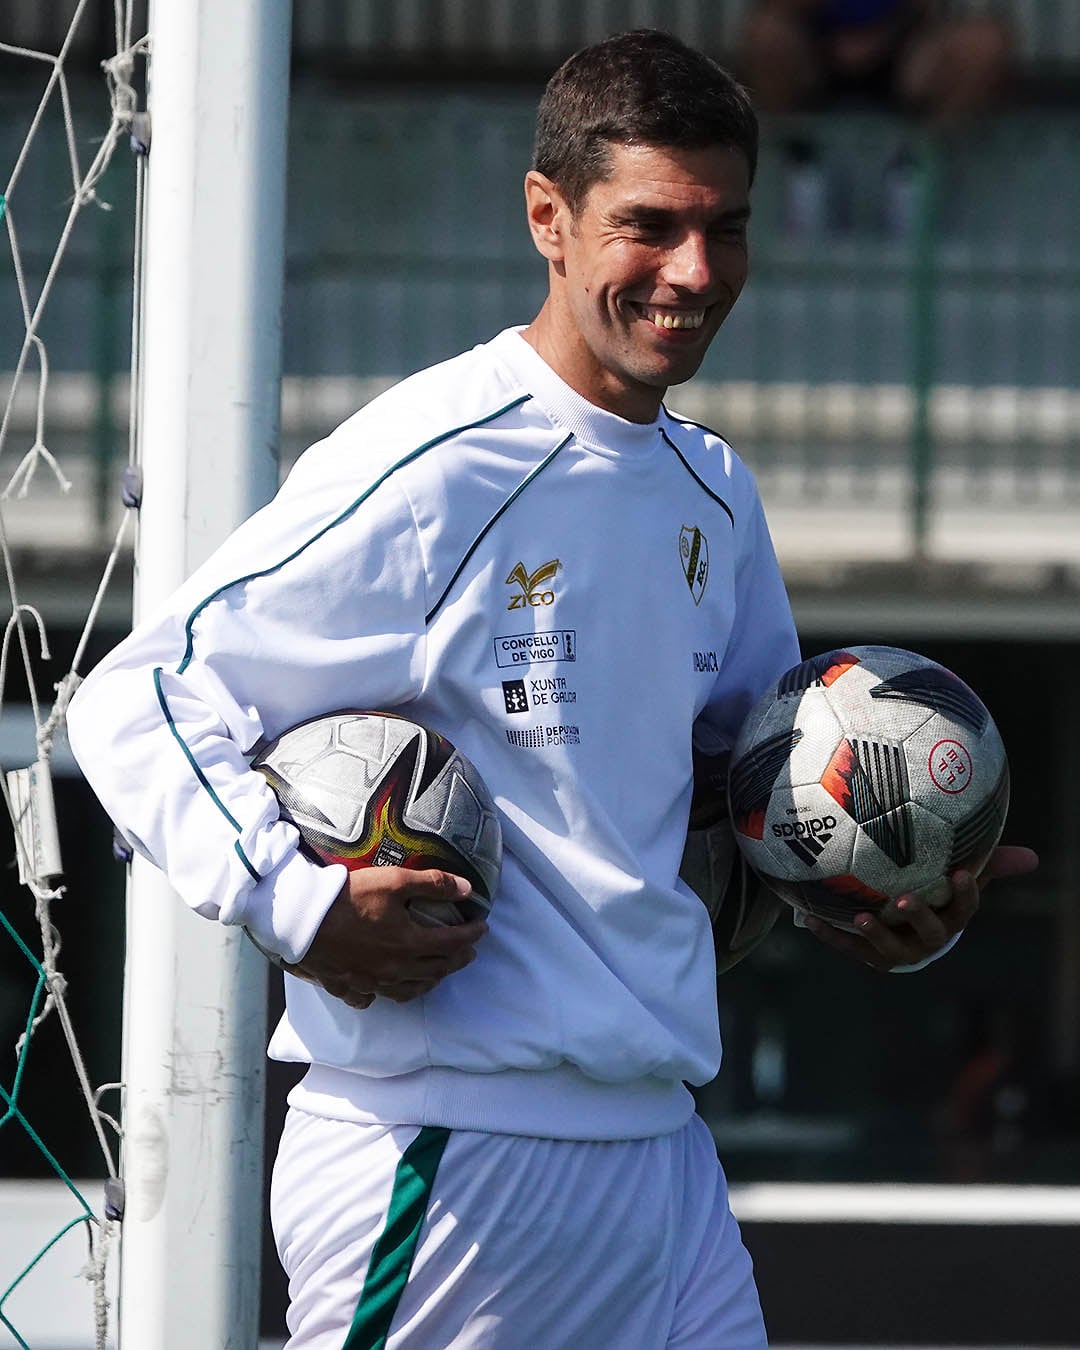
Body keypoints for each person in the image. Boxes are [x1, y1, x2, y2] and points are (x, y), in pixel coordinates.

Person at [66, 30, 1037, 1349]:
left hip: (666, 1157)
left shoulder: (716, 491)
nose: (694, 273)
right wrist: (297, 903)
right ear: (550, 219)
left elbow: (765, 799)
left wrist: (894, 901)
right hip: (449, 1153)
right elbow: (146, 696)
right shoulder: (433, 464)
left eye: (726, 229)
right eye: (650, 227)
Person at [737, 0, 1014, 125]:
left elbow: (927, 8)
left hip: (901, 48)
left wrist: (879, 37)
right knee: (766, 34)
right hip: (817, 46)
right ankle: (798, 160)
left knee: (985, 43)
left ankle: (921, 166)